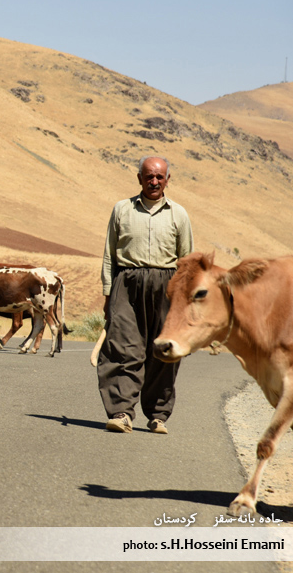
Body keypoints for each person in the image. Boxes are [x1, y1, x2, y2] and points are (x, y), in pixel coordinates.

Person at [97, 155, 193, 434]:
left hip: (167, 286)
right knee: (122, 348)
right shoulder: (121, 210)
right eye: (148, 176)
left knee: (164, 350)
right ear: (139, 178)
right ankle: (121, 412)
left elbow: (187, 261)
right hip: (126, 285)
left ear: (167, 180)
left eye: (159, 177)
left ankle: (157, 414)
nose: (154, 181)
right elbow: (108, 255)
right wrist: (107, 294)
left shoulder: (179, 214)